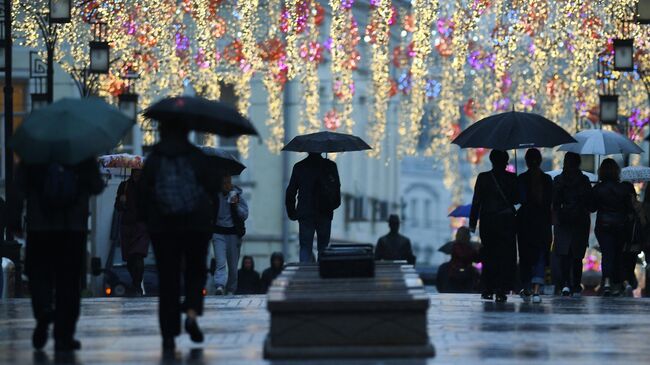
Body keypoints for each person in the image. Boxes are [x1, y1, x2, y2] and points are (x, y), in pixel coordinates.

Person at [138, 122, 221, 353]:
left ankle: (168, 335)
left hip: (163, 228)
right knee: (196, 271)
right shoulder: (196, 156)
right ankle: (192, 314)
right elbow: (213, 188)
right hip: (196, 226)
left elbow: (142, 194)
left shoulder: (154, 158)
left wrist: (149, 221)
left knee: (168, 279)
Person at [9, 159, 104, 352]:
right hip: (73, 226)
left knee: (39, 274)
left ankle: (43, 309)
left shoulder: (34, 152)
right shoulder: (81, 152)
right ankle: (64, 335)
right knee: (68, 281)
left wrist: (14, 220)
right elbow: (97, 185)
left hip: (40, 226)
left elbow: (18, 188)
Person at [469, 150, 519, 303]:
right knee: (505, 256)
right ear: (506, 161)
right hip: (507, 222)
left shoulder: (483, 178)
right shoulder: (511, 178)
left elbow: (476, 201)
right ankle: (502, 288)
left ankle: (488, 287)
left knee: (489, 255)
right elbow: (517, 199)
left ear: (491, 161)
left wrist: (472, 223)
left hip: (488, 222)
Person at [286, 153, 341, 262]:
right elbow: (337, 189)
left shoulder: (299, 167)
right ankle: (323, 274)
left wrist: (292, 213)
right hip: (325, 212)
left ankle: (304, 273)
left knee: (305, 247)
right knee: (324, 248)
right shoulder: (330, 166)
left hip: (305, 213)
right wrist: (332, 206)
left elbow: (290, 192)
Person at [552, 152, 592, 297]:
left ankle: (565, 284)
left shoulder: (558, 180)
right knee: (577, 256)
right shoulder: (584, 181)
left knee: (564, 255)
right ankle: (575, 284)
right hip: (580, 221)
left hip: (563, 221)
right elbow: (590, 204)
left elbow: (554, 202)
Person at [591, 158, 633, 296]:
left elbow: (592, 208)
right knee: (619, 254)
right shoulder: (624, 188)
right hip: (621, 225)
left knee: (607, 254)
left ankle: (607, 282)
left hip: (603, 225)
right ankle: (624, 282)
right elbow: (629, 208)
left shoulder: (598, 188)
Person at [516, 149, 552, 303]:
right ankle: (537, 289)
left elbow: (519, 199)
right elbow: (551, 200)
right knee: (540, 256)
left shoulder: (522, 179)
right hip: (543, 222)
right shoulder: (547, 179)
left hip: (525, 221)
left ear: (526, 161)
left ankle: (526, 287)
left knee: (525, 256)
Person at [115, 169, 149, 296]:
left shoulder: (146, 186)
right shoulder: (124, 186)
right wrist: (121, 201)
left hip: (141, 225)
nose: (137, 174)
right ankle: (136, 283)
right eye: (135, 171)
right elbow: (117, 207)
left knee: (138, 255)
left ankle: (137, 285)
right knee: (129, 260)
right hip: (127, 225)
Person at [212, 175, 248, 295]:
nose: (226, 185)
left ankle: (231, 289)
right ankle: (220, 285)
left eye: (228, 182)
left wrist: (236, 205)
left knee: (233, 266)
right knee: (220, 262)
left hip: (233, 233)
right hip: (218, 232)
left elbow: (245, 215)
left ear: (231, 183)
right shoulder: (215, 196)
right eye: (224, 183)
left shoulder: (236, 195)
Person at [436, 227, 479, 293]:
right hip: (468, 271)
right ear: (468, 236)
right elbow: (477, 259)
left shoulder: (452, 246)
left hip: (453, 271)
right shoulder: (472, 248)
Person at [621, 181, 644, 296]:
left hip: (621, 241)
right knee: (630, 264)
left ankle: (625, 283)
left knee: (621, 263)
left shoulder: (619, 205)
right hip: (634, 241)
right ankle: (629, 281)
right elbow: (643, 222)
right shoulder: (639, 205)